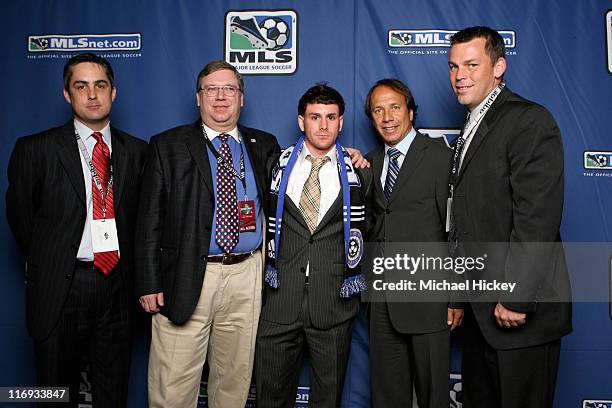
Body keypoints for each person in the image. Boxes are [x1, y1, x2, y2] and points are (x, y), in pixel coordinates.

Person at [134, 60, 280, 408]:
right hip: (186, 272)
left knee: (234, 379)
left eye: (229, 89)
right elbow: (148, 218)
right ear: (198, 98)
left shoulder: (264, 145)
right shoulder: (167, 145)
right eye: (211, 89)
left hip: (246, 273)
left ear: (241, 98)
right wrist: (148, 282)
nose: (220, 97)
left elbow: (297, 177)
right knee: (173, 384)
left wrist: (343, 155)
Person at [6, 52, 147, 407]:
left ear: (113, 92)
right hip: (60, 285)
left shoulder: (139, 152)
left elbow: (143, 223)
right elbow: (22, 220)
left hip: (117, 285)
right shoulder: (35, 149)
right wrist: (52, 261)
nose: (92, 95)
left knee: (112, 392)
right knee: (53, 392)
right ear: (67, 95)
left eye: (100, 85)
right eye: (81, 86)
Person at [447, 26, 572, 407]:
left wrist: (516, 298)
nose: (459, 75)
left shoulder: (528, 120)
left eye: (471, 64)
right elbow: (464, 220)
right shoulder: (472, 124)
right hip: (480, 313)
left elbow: (537, 216)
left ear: (498, 66)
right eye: (453, 66)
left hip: (519, 314)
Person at [255, 83, 370, 408]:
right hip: (279, 303)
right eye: (315, 117)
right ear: (301, 121)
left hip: (333, 305)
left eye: (331, 117)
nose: (323, 125)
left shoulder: (359, 173)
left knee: (327, 400)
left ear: (341, 122)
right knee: (270, 398)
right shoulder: (273, 165)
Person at [364, 78, 463, 408]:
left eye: (394, 107)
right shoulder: (371, 162)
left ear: (411, 112)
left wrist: (456, 296)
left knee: (434, 394)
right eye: (378, 110)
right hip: (382, 302)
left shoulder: (439, 158)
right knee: (386, 396)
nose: (387, 117)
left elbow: (455, 231)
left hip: (429, 300)